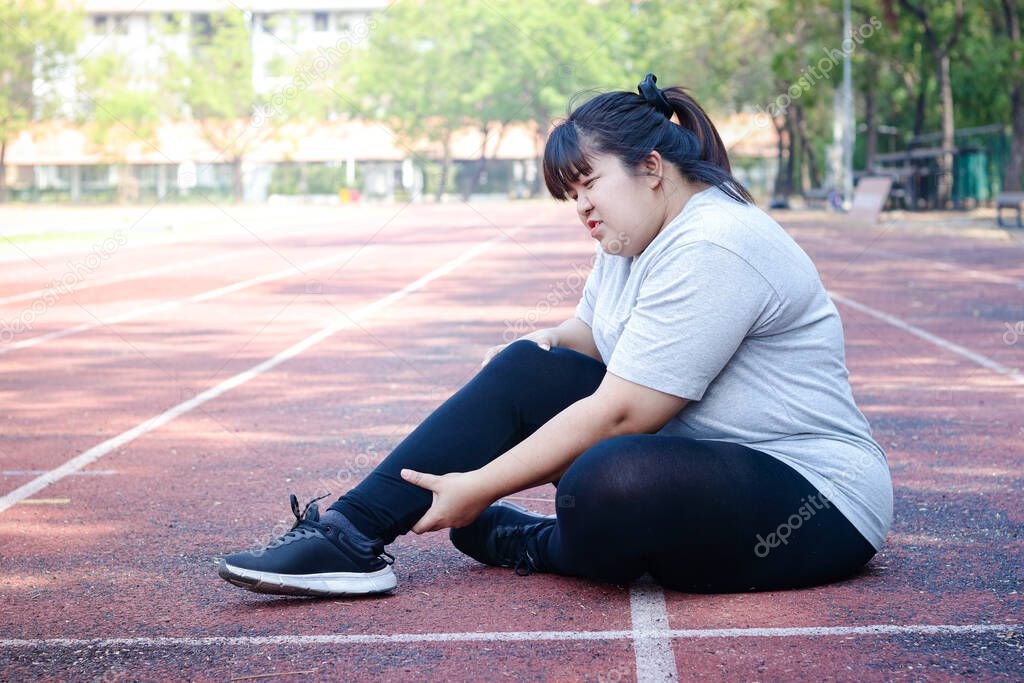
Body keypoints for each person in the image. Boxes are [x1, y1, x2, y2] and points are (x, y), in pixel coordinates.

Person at [217, 74, 893, 598]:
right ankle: (349, 531)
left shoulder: (716, 243)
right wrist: (513, 368)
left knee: (608, 479)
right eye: (571, 193)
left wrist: (477, 484)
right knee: (529, 362)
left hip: (814, 500)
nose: (582, 207)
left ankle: (538, 543)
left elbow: (627, 410)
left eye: (589, 182)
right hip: (704, 464)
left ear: (651, 168)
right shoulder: (631, 239)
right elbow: (589, 338)